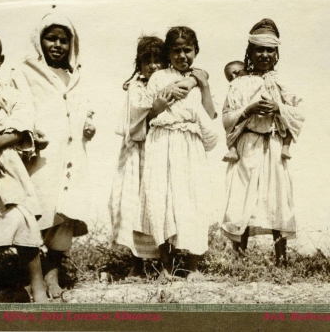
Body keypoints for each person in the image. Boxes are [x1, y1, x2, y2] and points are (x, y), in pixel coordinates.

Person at [11, 12, 95, 298]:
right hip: (41, 155)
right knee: (37, 211)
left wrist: (87, 126)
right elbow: (19, 108)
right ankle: (30, 275)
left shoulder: (76, 75)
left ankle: (52, 273)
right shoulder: (25, 72)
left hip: (72, 155)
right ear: (39, 40)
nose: (57, 45)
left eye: (63, 39)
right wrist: (30, 134)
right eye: (51, 38)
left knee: (65, 214)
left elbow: (83, 108)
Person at [109, 36, 200, 278]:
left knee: (164, 206)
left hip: (164, 152)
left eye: (157, 60)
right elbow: (133, 124)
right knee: (135, 208)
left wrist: (191, 79)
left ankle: (167, 263)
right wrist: (155, 108)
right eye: (146, 61)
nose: (152, 66)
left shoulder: (175, 83)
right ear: (138, 63)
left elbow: (201, 75)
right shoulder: (136, 88)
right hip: (138, 155)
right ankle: (138, 264)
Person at [135, 26, 217, 281]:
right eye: (176, 51)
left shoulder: (200, 79)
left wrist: (201, 84)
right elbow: (147, 112)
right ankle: (166, 267)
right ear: (168, 54)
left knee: (191, 200)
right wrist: (166, 97)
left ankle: (192, 266)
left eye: (187, 50)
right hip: (163, 141)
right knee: (162, 200)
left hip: (190, 143)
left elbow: (210, 114)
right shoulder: (159, 77)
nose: (182, 55)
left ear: (196, 51)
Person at [221, 18, 305, 267]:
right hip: (247, 145)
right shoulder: (239, 84)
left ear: (276, 53)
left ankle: (281, 260)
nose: (265, 55)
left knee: (277, 198)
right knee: (242, 198)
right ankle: (240, 259)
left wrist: (279, 108)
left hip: (275, 145)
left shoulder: (284, 83)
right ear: (250, 52)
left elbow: (299, 113)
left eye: (270, 50)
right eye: (260, 49)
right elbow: (227, 118)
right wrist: (249, 110)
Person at [0, 33, 48, 302]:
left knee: (23, 219)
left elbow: (22, 128)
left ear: (0, 60)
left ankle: (37, 287)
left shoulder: (9, 93)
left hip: (6, 170)